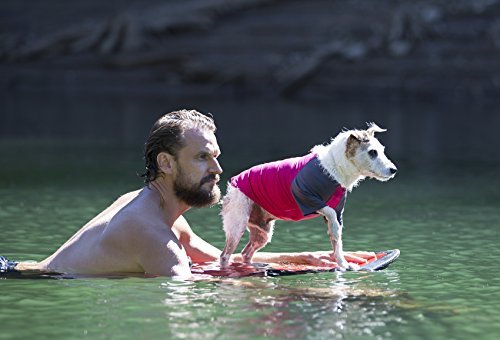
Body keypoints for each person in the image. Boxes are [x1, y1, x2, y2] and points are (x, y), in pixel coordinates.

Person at [7, 109, 370, 278]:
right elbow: (189, 287)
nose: (217, 170)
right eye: (202, 158)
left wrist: (307, 258)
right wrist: (304, 294)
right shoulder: (148, 231)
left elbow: (218, 260)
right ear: (166, 163)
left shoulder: (154, 211)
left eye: (216, 157)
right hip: (27, 283)